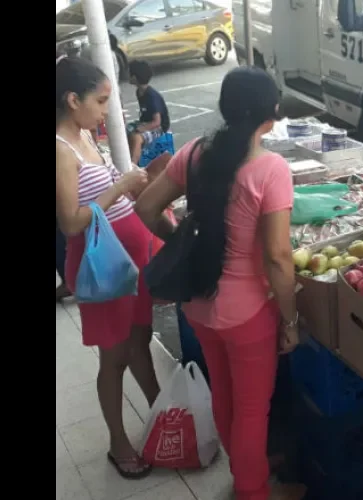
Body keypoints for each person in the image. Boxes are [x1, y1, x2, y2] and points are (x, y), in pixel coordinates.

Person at [134, 67, 304, 500]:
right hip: (247, 312)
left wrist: (181, 240)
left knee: (225, 392)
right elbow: (279, 258)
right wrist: (290, 320)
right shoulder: (269, 168)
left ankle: (247, 469)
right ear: (272, 114)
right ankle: (254, 490)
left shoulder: (194, 152)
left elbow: (146, 207)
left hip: (199, 304)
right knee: (251, 410)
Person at [56, 55, 160, 478]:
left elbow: (114, 199)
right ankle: (119, 443)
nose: (105, 112)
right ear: (72, 99)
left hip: (129, 261)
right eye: (100, 102)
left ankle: (161, 411)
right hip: (104, 268)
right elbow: (72, 221)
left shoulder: (86, 137)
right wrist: (120, 186)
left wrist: (144, 180)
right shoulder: (61, 150)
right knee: (113, 356)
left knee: (141, 339)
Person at [127, 60, 171, 165]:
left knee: (137, 137)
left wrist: (141, 129)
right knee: (126, 129)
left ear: (135, 77)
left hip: (159, 127)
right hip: (147, 122)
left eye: (130, 73)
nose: (127, 75)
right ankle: (128, 157)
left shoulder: (152, 96)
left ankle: (133, 166)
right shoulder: (139, 92)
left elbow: (157, 122)